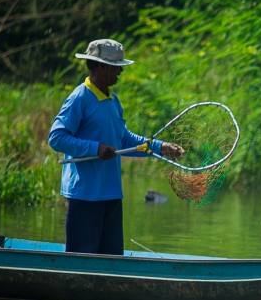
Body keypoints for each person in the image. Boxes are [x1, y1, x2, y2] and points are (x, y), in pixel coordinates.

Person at [48, 39, 183, 255]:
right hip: (85, 196)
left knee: (111, 258)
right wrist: (96, 148)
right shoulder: (79, 98)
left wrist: (161, 147)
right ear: (100, 66)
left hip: (110, 195)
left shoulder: (113, 101)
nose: (120, 71)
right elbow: (57, 138)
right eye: (115, 67)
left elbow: (125, 140)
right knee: (82, 259)